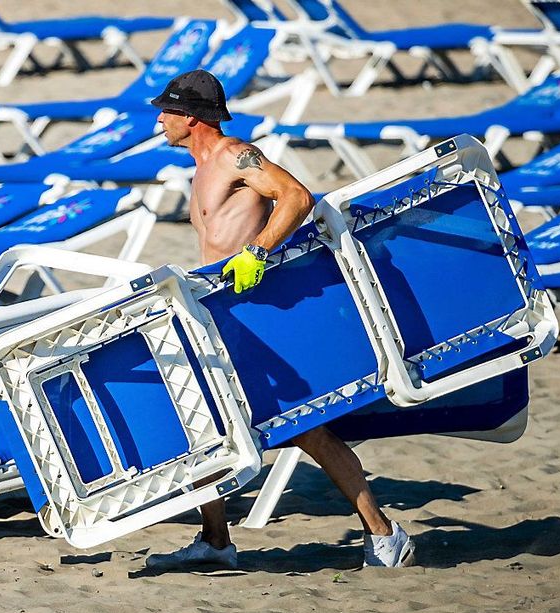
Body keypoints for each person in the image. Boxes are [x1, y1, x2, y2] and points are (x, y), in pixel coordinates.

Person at [144, 69, 415, 571]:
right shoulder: (198, 169)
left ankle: (384, 532)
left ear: (192, 117)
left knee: (308, 427)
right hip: (220, 311)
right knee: (204, 426)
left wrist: (258, 251)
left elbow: (297, 196)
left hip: (259, 313)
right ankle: (216, 540)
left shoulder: (232, 155)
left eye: (168, 111)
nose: (159, 119)